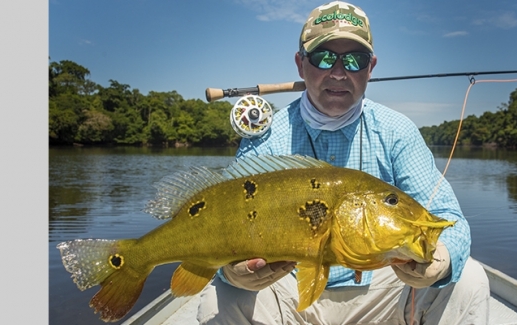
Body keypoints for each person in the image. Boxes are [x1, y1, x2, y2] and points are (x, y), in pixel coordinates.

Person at [197, 1, 490, 324]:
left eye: (354, 59)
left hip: (382, 292)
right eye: (323, 58)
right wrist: (230, 271)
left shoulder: (397, 131)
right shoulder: (266, 138)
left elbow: (449, 219)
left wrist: (440, 260)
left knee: (468, 279)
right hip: (287, 291)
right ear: (300, 64)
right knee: (220, 296)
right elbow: (224, 224)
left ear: (371, 67)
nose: (338, 72)